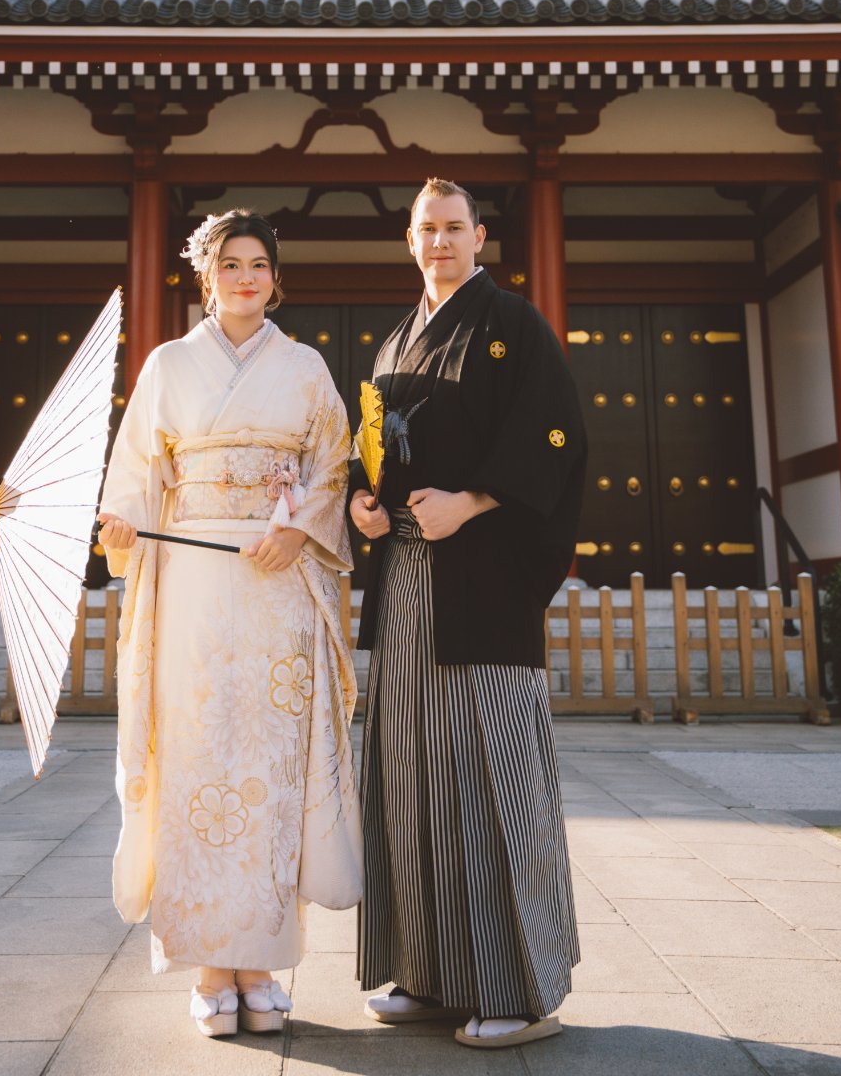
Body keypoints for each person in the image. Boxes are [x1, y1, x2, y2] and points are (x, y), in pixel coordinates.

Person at [97, 208, 363, 1039]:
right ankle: (212, 963)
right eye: (230, 264)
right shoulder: (168, 364)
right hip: (193, 581)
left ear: (274, 277)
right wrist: (122, 524)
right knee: (197, 753)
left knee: (272, 761)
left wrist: (299, 529)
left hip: (277, 580)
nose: (245, 277)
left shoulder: (306, 367)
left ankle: (264, 956)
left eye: (258, 265)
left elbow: (333, 463)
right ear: (204, 275)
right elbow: (140, 468)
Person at [352, 177, 586, 1051]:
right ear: (408, 241)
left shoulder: (511, 326)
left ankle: (519, 988)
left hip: (483, 578)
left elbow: (557, 434)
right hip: (408, 577)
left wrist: (478, 498)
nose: (440, 241)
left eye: (455, 227)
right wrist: (363, 506)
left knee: (493, 780)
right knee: (411, 777)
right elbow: (368, 449)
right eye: (426, 229)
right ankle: (433, 970)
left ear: (480, 236)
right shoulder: (392, 342)